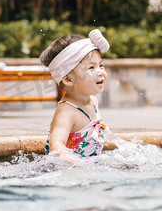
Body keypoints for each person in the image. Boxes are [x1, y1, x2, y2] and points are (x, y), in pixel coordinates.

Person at [40, 29, 112, 164]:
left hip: (92, 163)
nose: (100, 72)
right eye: (91, 68)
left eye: (101, 65)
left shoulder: (93, 101)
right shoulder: (67, 112)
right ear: (68, 79)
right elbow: (56, 147)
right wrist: (79, 164)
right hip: (67, 169)